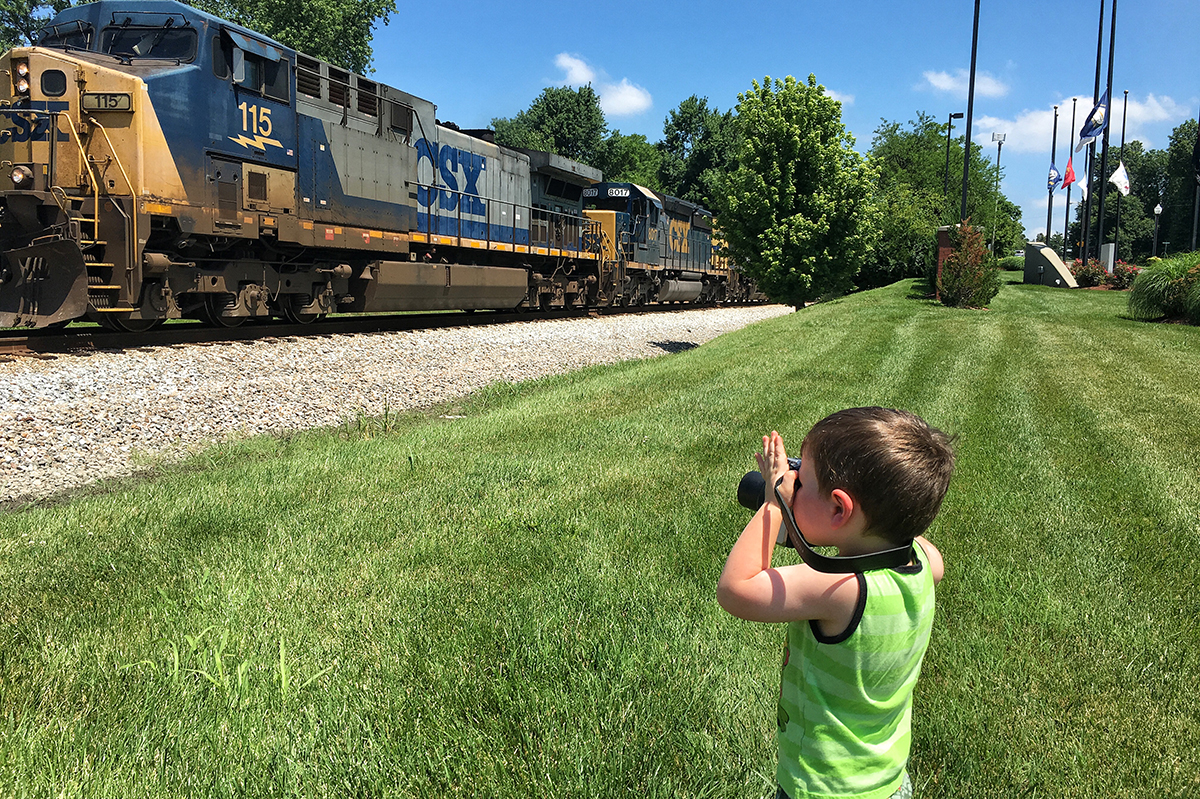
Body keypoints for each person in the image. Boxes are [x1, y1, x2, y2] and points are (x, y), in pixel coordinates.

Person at [717, 407, 956, 799]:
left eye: (802, 482)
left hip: (824, 787)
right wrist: (813, 523)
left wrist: (775, 505)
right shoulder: (926, 564)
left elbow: (736, 589)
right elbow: (910, 543)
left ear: (839, 509)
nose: (794, 486)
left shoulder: (842, 590)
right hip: (887, 782)